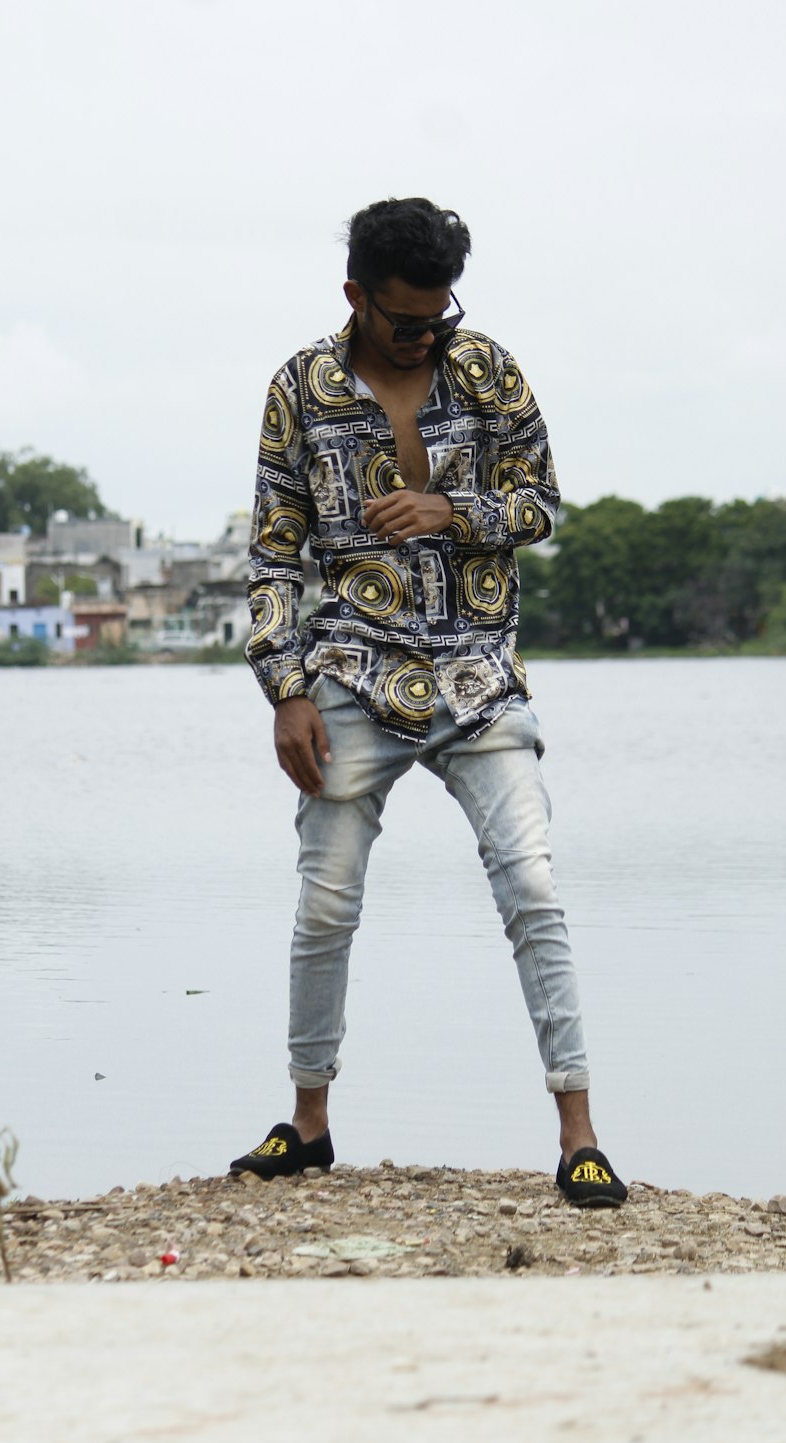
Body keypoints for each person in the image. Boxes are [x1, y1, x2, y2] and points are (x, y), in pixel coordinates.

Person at [231, 197, 625, 1208]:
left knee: (531, 891)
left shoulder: (486, 369)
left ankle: (579, 1136)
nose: (425, 333)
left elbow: (541, 503)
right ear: (357, 296)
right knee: (324, 906)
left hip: (480, 676)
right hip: (352, 674)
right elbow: (274, 553)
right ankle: (308, 1125)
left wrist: (454, 510)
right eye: (407, 318)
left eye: (439, 315)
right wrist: (285, 690)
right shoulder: (299, 388)